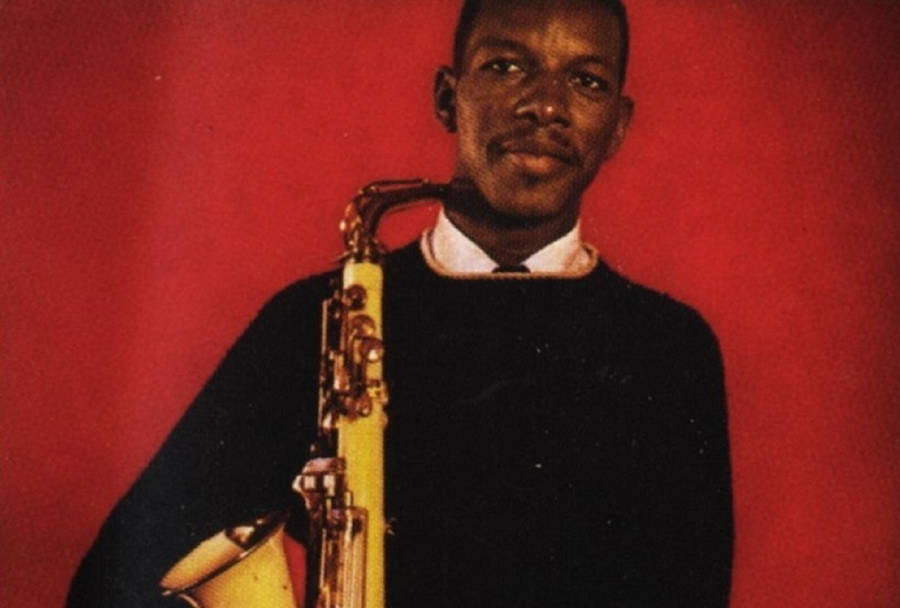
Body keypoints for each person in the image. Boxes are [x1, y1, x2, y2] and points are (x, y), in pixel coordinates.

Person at [68, 0, 733, 606]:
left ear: (617, 127)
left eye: (586, 80)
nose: (545, 106)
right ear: (448, 98)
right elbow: (116, 576)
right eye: (505, 67)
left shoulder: (670, 350)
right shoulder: (316, 319)